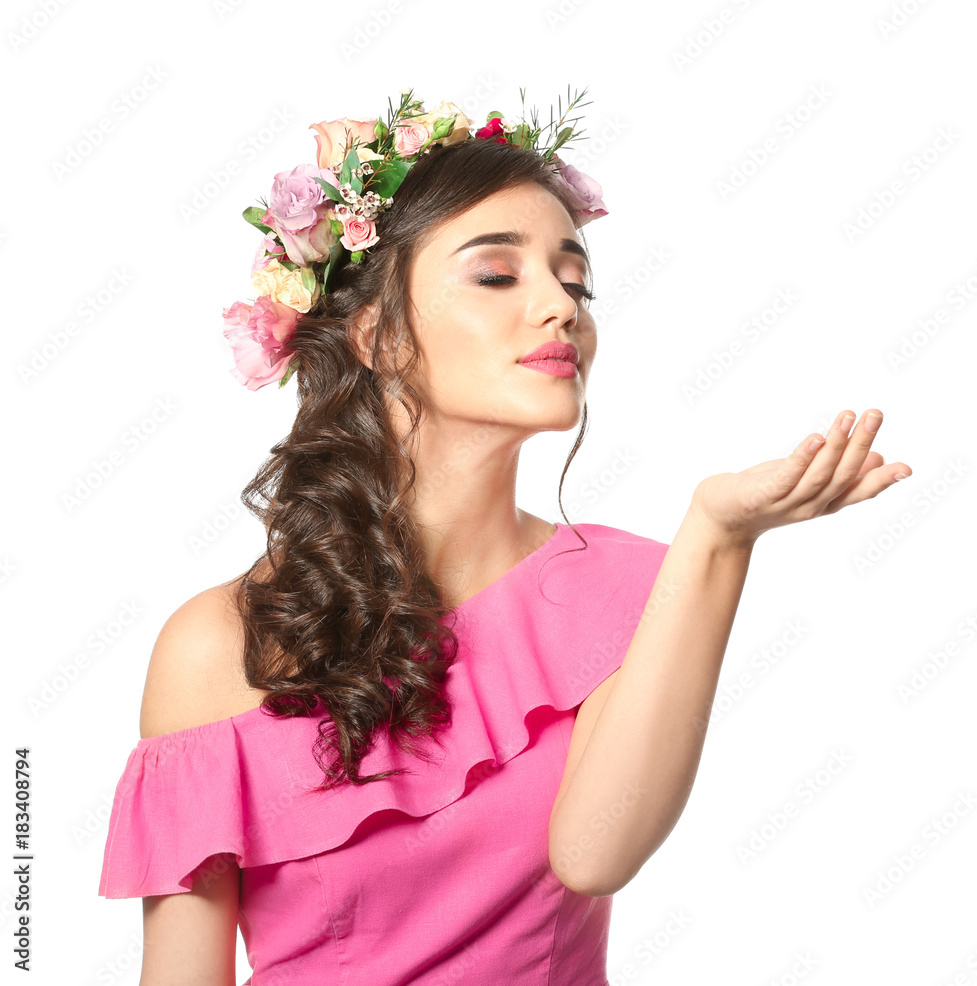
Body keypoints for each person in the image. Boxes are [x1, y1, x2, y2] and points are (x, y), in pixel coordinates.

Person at [97, 88, 911, 985]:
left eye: (575, 279)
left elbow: (596, 853)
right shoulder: (216, 645)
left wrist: (717, 538)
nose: (561, 307)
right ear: (374, 334)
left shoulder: (631, 582)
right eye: (497, 275)